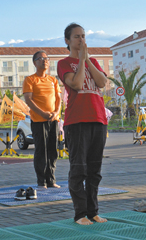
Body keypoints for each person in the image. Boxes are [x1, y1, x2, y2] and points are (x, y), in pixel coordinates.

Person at [57, 23, 110, 225]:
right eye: (77, 36)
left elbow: (101, 82)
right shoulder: (64, 63)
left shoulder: (93, 61)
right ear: (67, 41)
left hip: (98, 119)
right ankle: (80, 214)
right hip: (77, 121)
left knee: (95, 170)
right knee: (79, 169)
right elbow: (77, 85)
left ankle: (93, 211)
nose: (81, 40)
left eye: (83, 36)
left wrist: (87, 60)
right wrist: (80, 62)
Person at [23, 50, 62, 188]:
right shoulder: (30, 79)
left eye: (47, 59)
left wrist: (56, 113)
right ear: (35, 63)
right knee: (41, 150)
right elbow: (28, 100)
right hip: (39, 121)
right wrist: (43, 113)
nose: (44, 61)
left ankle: (51, 180)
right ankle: (41, 181)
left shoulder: (53, 80)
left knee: (53, 150)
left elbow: (59, 99)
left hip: (53, 120)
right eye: (40, 59)